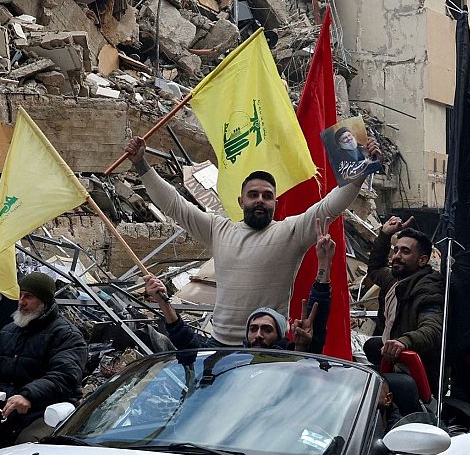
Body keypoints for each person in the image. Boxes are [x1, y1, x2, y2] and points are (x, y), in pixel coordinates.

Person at [126, 136, 377, 345]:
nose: (260, 200)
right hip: (219, 345)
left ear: (275, 204)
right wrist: (141, 166)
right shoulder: (218, 229)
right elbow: (175, 205)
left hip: (268, 348)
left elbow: (331, 205)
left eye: (267, 196)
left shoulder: (291, 232)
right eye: (253, 194)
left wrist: (360, 173)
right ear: (241, 201)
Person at [0, 272, 88, 447]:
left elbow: (64, 376)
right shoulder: (9, 332)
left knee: (25, 448)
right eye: (20, 295)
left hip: (46, 412)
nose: (21, 302)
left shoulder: (66, 335)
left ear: (44, 300)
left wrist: (28, 396)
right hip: (6, 409)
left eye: (29, 297)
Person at [146, 235, 337, 352]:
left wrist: (324, 265)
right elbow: (184, 339)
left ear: (280, 336)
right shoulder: (231, 361)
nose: (259, 335)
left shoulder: (289, 359)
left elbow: (316, 323)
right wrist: (163, 302)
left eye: (267, 329)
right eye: (253, 329)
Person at [365, 217, 445, 413]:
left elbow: (433, 328)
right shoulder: (396, 279)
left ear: (422, 260)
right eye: (396, 250)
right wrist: (385, 235)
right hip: (393, 363)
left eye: (405, 251)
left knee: (366, 386)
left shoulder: (428, 287)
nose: (397, 256)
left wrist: (403, 342)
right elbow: (375, 269)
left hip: (415, 377)